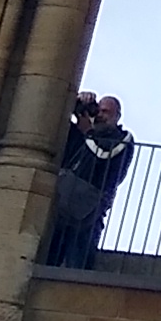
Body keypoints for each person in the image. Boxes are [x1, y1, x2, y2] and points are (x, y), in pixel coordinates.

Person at [39, 94, 134, 270]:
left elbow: (105, 154)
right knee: (46, 262)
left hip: (89, 213)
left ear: (117, 116)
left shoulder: (123, 138)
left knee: (78, 265)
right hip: (62, 208)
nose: (100, 115)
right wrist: (76, 102)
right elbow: (54, 119)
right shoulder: (83, 133)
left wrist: (89, 133)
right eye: (98, 111)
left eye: (106, 112)